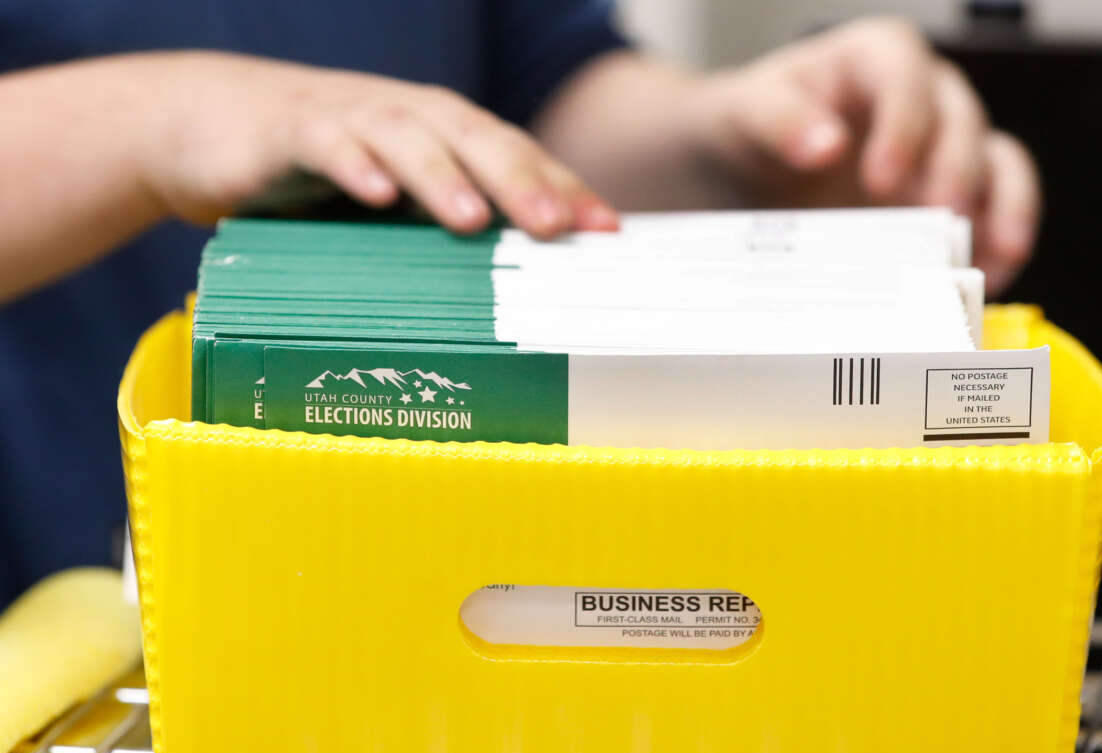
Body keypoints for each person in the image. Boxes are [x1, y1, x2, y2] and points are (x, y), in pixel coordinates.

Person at [0, 1, 1040, 607]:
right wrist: (157, 113)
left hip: (422, 601)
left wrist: (736, 147)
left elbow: (536, 102)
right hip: (60, 640)